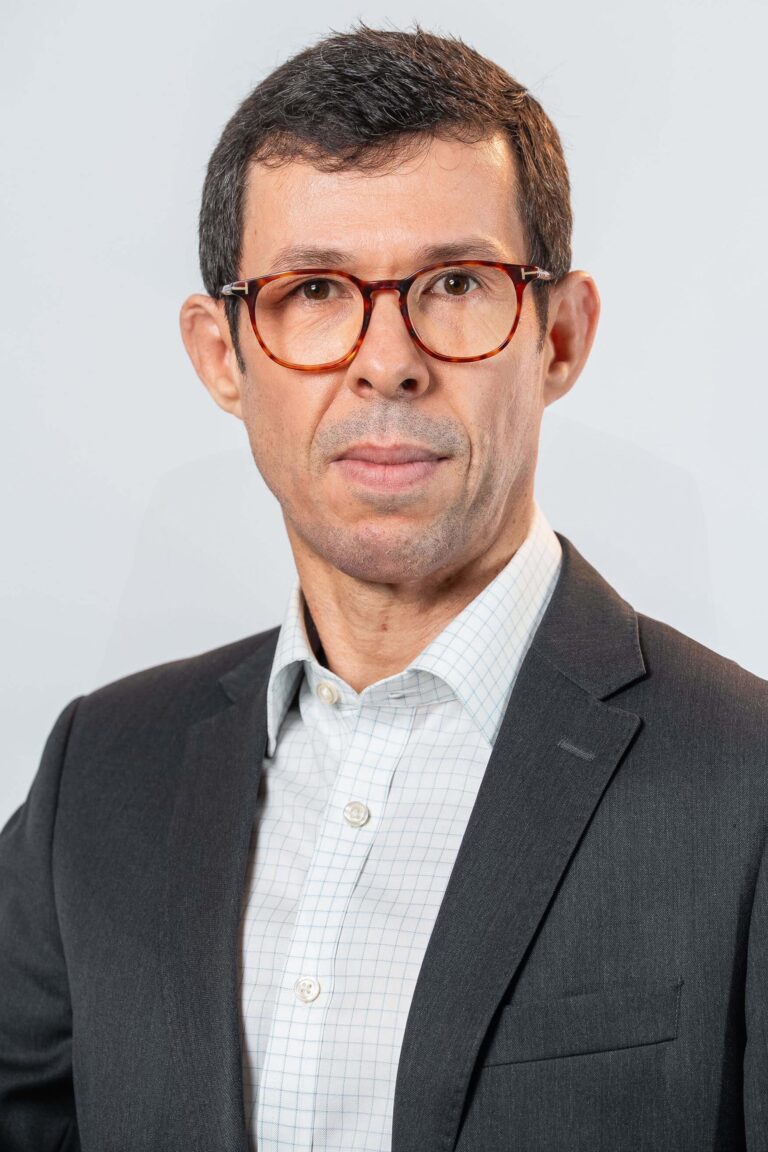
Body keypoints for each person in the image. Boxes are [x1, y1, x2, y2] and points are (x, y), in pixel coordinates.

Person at [1, 21, 766, 1152]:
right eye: (314, 289)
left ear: (559, 337)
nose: (389, 360)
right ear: (222, 356)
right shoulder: (99, 774)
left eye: (455, 283)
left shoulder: (748, 784)